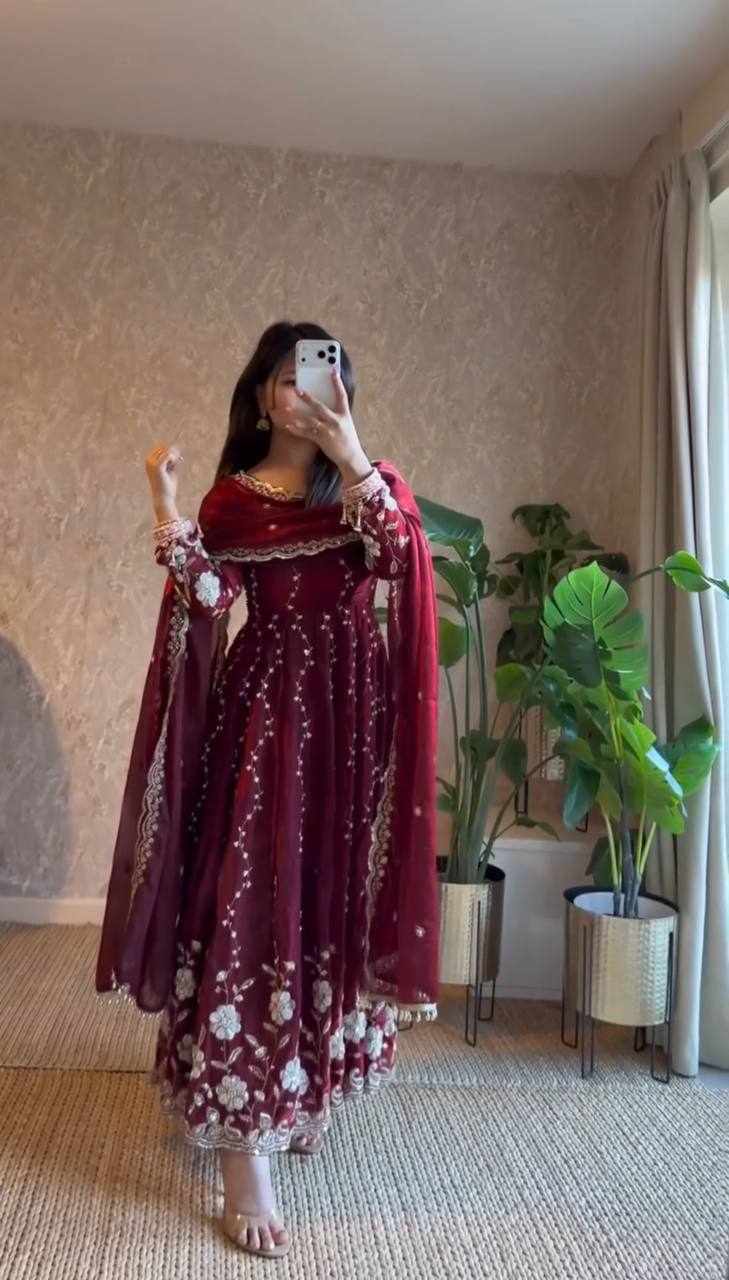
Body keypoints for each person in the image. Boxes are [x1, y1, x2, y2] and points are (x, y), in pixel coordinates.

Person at [95, 320, 440, 1260]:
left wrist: (352, 456)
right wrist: (165, 507)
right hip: (264, 717)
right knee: (252, 902)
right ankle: (245, 1144)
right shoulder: (235, 500)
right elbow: (213, 598)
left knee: (324, 898)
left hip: (351, 721)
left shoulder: (369, 484)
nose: (305, 391)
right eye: (288, 378)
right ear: (259, 396)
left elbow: (401, 565)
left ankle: (301, 1084)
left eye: (324, 376)